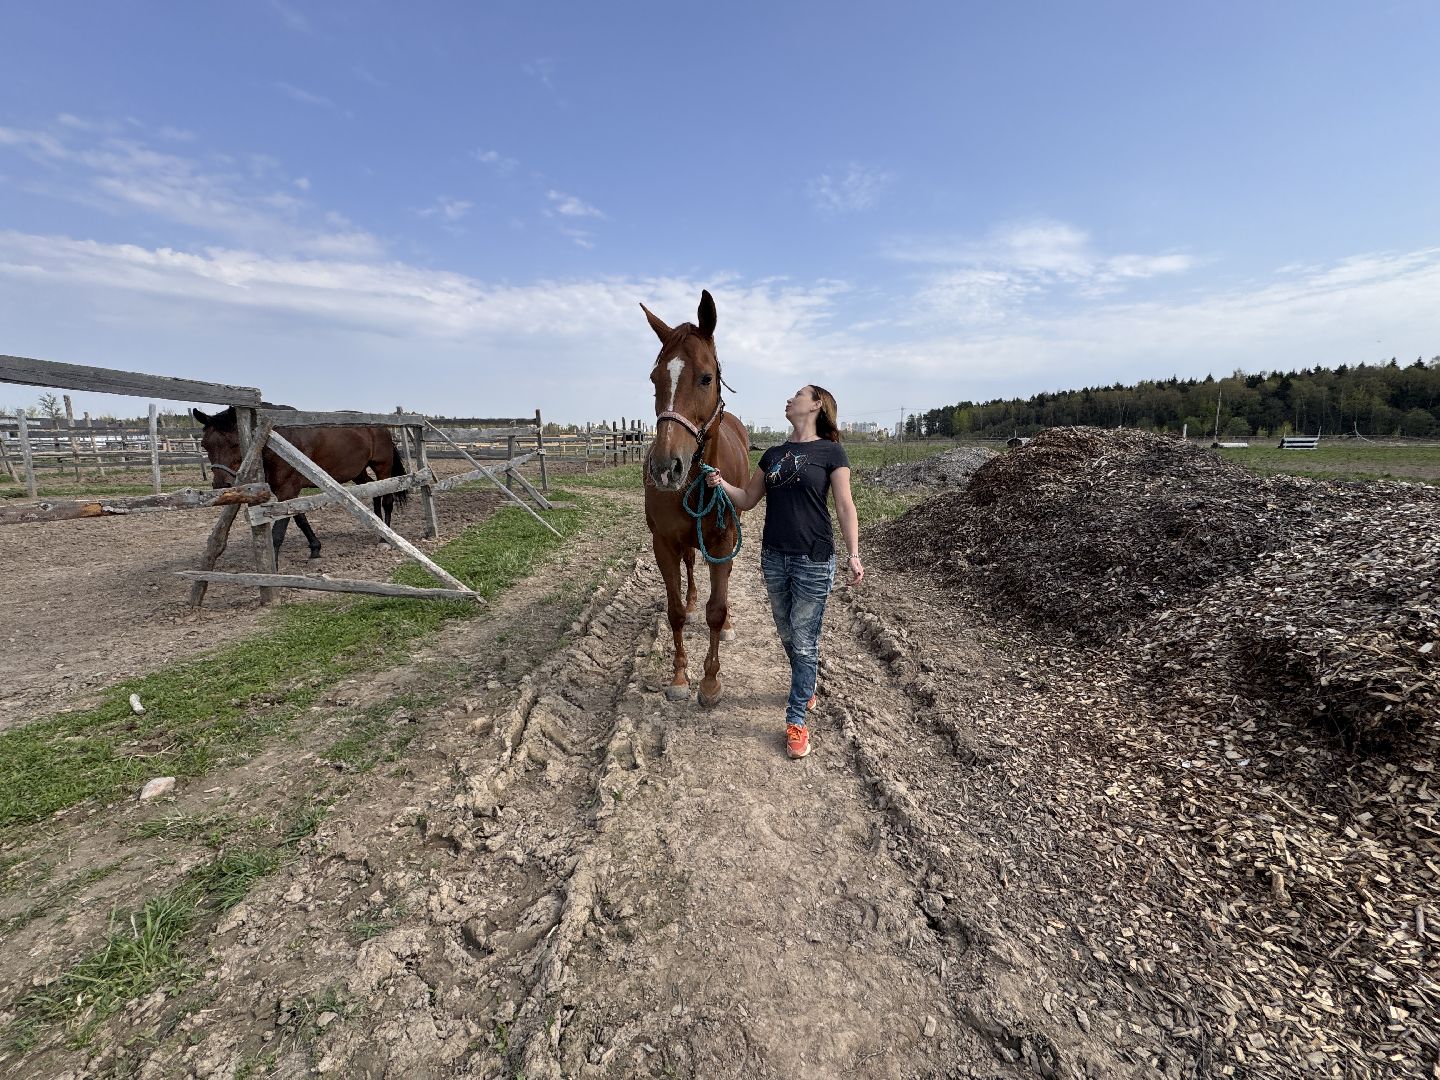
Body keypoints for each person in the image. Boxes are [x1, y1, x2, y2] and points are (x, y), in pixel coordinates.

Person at [704, 385, 864, 759]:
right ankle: (805, 685)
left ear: (816, 405)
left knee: (805, 641)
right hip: (774, 557)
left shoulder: (831, 452)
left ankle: (796, 722)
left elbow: (844, 505)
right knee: (788, 634)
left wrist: (853, 554)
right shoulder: (774, 454)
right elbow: (746, 499)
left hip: (813, 557)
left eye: (798, 394)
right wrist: (720, 482)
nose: (789, 399)